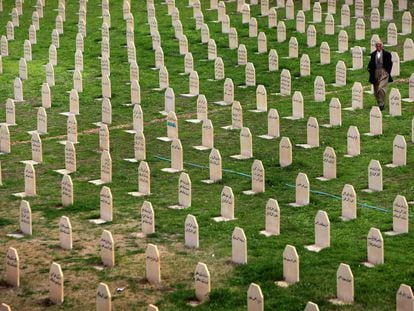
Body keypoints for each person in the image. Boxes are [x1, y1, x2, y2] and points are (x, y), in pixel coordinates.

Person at [367, 41, 393, 111]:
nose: (379, 47)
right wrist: (369, 69)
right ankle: (379, 102)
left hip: (384, 72)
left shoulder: (387, 54)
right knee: (376, 89)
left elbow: (390, 63)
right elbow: (371, 63)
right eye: (377, 46)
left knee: (381, 88)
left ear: (382, 46)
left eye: (380, 45)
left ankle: (382, 103)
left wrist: (388, 72)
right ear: (375, 47)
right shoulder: (373, 54)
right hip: (375, 72)